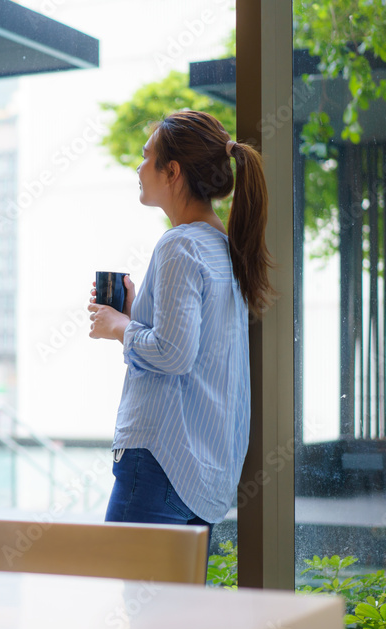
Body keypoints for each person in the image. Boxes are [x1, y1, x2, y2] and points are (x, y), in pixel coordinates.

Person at [88, 110, 274, 545]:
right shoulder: (223, 249)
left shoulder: (179, 244)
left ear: (172, 172)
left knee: (132, 604)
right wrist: (136, 317)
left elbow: (173, 353)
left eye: (146, 156)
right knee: (174, 612)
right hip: (203, 475)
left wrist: (118, 326)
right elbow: (191, 347)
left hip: (161, 463)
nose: (138, 166)